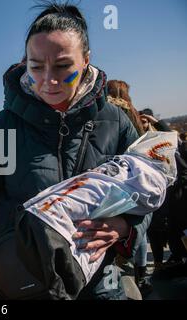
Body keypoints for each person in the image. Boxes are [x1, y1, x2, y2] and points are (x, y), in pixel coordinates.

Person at [0, 3, 151, 300]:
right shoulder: (2, 128)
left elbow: (147, 190)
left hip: (97, 282)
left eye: (64, 66)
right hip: (21, 279)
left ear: (86, 60)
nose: (48, 81)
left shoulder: (115, 122)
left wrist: (126, 227)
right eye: (36, 66)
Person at [16, 131, 177, 299]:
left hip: (101, 272)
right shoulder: (3, 125)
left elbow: (147, 201)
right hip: (22, 263)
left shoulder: (117, 119)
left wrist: (126, 226)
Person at [106, 80, 152, 296]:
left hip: (111, 182)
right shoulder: (132, 113)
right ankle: (140, 276)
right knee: (138, 234)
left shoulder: (107, 111)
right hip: (136, 182)